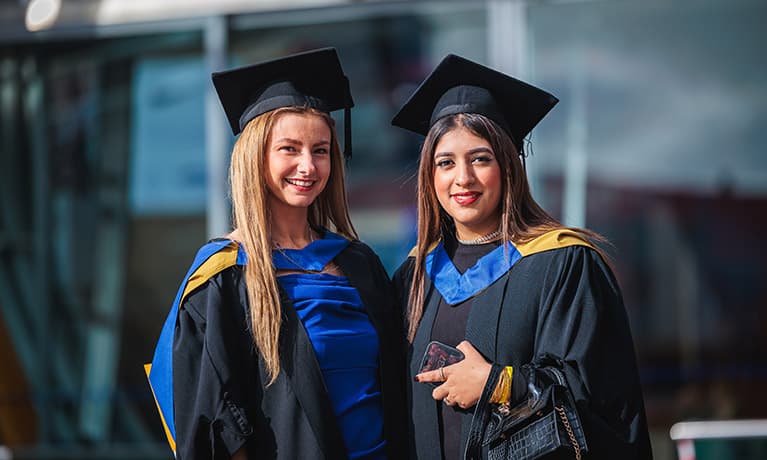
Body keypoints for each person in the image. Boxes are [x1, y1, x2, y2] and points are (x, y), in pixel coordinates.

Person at [145, 48, 407, 460]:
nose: (308, 165)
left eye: (320, 150)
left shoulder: (360, 264)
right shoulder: (225, 275)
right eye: (289, 148)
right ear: (256, 157)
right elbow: (211, 418)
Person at [391, 54, 652, 459]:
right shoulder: (413, 276)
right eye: (446, 163)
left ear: (509, 165)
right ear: (430, 175)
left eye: (480, 159)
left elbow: (603, 397)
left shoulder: (562, 263)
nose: (463, 178)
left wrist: (499, 384)